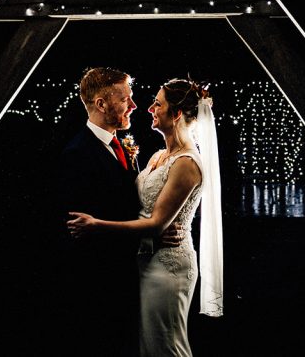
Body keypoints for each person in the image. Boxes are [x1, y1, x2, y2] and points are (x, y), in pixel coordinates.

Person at [67, 78, 224, 357]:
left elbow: (156, 222)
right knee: (147, 346)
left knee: (166, 345)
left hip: (168, 266)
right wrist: (149, 229)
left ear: (175, 114)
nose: (149, 108)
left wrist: (97, 225)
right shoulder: (157, 157)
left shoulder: (187, 163)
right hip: (143, 262)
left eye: (158, 103)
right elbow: (141, 208)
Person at [58, 67, 164, 357]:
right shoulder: (78, 154)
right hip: (101, 283)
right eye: (125, 99)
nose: (134, 105)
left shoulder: (121, 144)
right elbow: (78, 229)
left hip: (130, 274)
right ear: (101, 104)